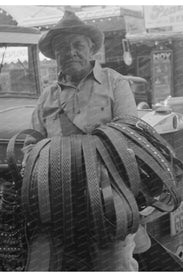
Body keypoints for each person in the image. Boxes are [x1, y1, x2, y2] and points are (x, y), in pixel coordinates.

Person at [22, 10, 150, 271]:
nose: (70, 52)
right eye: (62, 48)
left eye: (77, 45)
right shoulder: (47, 97)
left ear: (91, 49)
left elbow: (130, 137)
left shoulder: (115, 83)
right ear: (55, 56)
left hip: (109, 199)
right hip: (58, 203)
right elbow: (30, 146)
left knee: (115, 266)